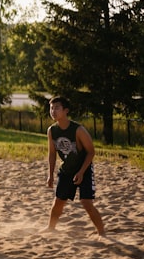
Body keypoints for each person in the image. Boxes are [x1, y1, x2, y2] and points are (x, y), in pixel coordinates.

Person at [45, 96, 106, 236]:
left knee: (86, 202)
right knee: (59, 201)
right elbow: (52, 154)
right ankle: (51, 228)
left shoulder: (78, 130)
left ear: (66, 111)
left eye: (57, 108)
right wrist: (50, 174)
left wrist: (81, 172)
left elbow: (91, 152)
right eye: (51, 108)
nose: (53, 111)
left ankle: (102, 233)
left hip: (83, 169)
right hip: (67, 170)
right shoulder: (51, 130)